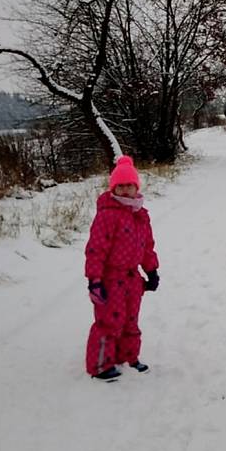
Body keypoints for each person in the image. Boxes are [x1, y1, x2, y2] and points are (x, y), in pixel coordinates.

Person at [84, 155, 160, 381]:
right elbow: (95, 250)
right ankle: (100, 365)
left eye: (130, 185)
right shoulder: (107, 215)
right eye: (121, 186)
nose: (126, 190)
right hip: (110, 278)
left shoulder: (141, 216)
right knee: (109, 321)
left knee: (130, 320)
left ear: (136, 187)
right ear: (113, 188)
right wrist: (94, 280)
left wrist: (152, 270)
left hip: (133, 279)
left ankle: (128, 357)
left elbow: (147, 246)